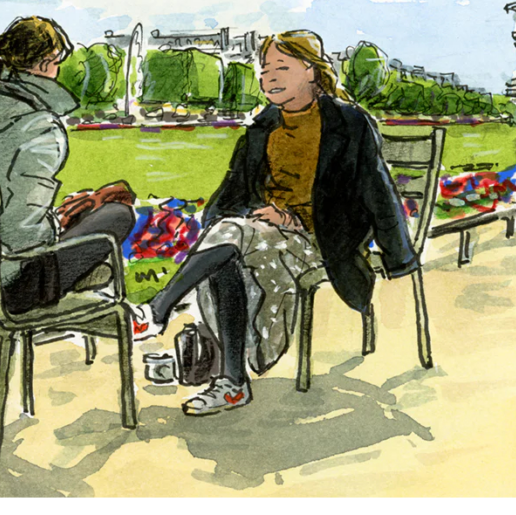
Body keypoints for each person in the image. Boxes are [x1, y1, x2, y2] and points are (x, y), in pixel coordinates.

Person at [132, 30, 418, 417]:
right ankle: (231, 384)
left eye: (282, 67)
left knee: (230, 240)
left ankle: (159, 313)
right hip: (263, 236)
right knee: (227, 249)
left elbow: (376, 190)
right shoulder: (264, 125)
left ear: (312, 71)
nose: (269, 77)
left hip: (322, 242)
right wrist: (246, 218)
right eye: (265, 69)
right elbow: (232, 192)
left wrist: (399, 257)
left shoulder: (348, 123)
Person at [0, 17, 136, 318]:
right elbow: (23, 238)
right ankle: (80, 280)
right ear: (46, 62)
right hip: (4, 291)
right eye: (57, 63)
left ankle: (82, 276)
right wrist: (58, 223)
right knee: (117, 214)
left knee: (81, 235)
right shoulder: (39, 128)